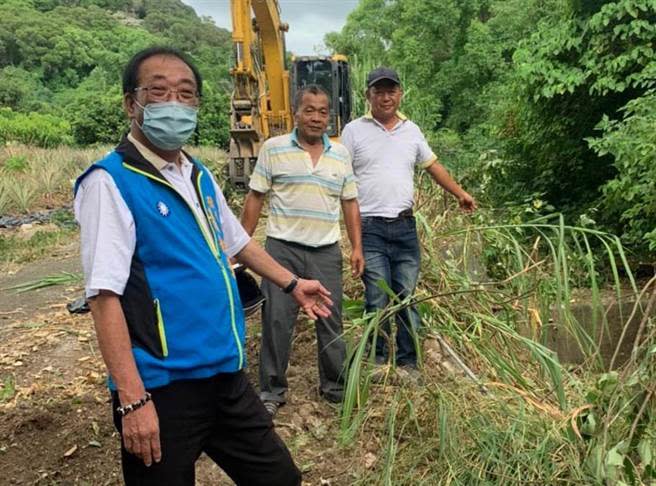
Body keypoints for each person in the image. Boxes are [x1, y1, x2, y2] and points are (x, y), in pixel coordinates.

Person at [74, 47, 333, 486]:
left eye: (186, 93)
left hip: (224, 373)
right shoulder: (109, 182)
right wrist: (133, 400)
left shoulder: (196, 175)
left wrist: (292, 284)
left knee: (279, 478)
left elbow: (238, 242)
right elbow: (103, 297)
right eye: (159, 92)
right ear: (130, 103)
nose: (174, 103)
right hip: (162, 387)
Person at [341, 67, 476, 376]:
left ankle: (408, 363)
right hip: (370, 227)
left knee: (406, 297)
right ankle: (376, 362)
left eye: (391, 91)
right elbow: (340, 177)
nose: (385, 97)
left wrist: (460, 194)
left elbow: (433, 166)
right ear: (368, 96)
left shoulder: (411, 131)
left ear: (400, 94)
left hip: (404, 228)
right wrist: (353, 241)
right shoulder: (353, 131)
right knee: (376, 298)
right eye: (379, 91)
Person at [241, 84, 364, 417]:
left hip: (325, 250)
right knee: (277, 321)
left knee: (330, 319)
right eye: (309, 110)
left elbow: (350, 203)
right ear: (295, 112)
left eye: (323, 111)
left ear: (329, 117)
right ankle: (272, 390)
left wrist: (357, 247)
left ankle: (336, 387)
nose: (316, 117)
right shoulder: (274, 148)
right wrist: (240, 245)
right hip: (282, 250)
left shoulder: (340, 155)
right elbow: (255, 197)